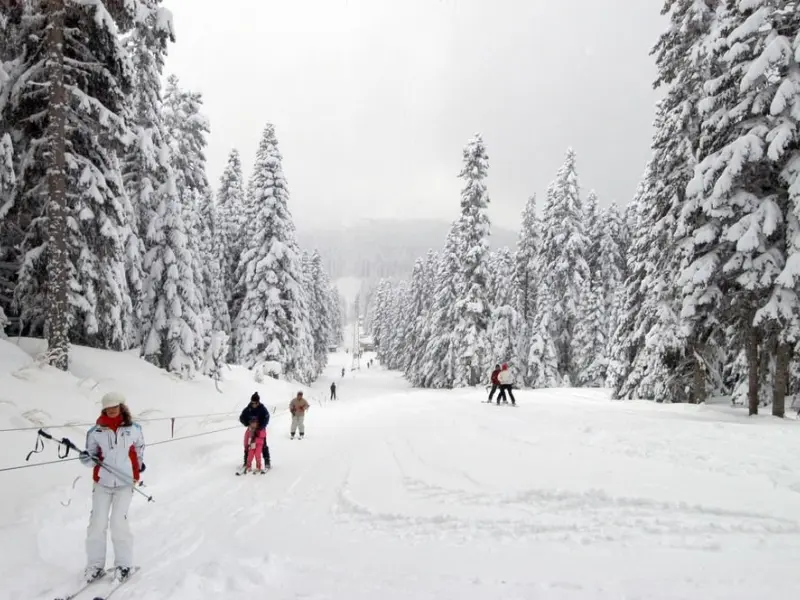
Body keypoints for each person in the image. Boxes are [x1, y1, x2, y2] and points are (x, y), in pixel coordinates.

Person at [79, 391, 145, 584]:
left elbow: (139, 447)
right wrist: (86, 459)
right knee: (96, 524)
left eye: (114, 408)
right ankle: (95, 566)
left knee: (118, 523)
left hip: (124, 483)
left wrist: (138, 466)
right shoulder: (96, 431)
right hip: (102, 482)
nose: (111, 411)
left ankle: (123, 565)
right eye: (108, 408)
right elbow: (91, 456)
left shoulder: (134, 428)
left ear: (122, 407)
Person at [239, 392, 270, 469]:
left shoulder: (262, 409)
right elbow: (241, 417)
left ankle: (267, 462)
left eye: (254, 403)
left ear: (258, 402)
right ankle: (246, 462)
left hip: (260, 430)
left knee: (263, 445)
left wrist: (261, 426)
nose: (253, 404)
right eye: (252, 402)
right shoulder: (248, 408)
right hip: (251, 430)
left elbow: (267, 417)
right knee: (247, 445)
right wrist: (246, 423)